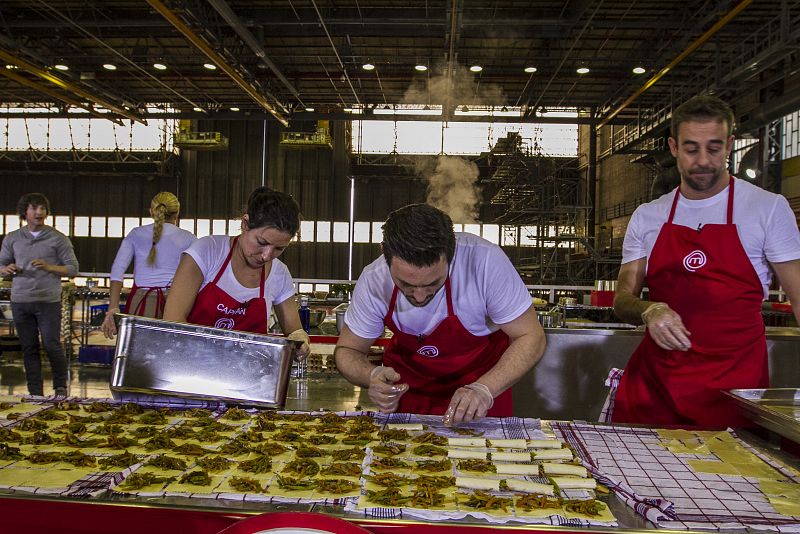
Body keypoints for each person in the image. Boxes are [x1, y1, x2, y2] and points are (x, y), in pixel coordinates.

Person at [611, 94, 800, 428]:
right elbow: (622, 298)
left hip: (735, 390)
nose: (703, 161)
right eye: (691, 148)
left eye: (714, 148)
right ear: (673, 147)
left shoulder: (767, 208)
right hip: (657, 387)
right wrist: (649, 309)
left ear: (729, 146)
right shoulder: (648, 216)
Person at [334, 204, 545, 426]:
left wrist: (484, 389)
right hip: (411, 393)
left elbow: (531, 336)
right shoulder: (374, 280)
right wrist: (372, 375)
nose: (419, 295)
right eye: (406, 284)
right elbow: (348, 350)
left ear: (451, 256)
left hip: (482, 391)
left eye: (433, 283)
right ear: (387, 260)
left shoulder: (485, 262)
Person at [163, 187, 309, 359]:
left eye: (279, 248)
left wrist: (300, 340)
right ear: (245, 224)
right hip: (192, 368)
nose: (266, 255)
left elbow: (294, 330)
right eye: (261, 242)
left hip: (249, 376)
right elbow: (173, 320)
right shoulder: (208, 252)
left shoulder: (279, 274)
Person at [0, 193, 79, 396]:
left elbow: (72, 269)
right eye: (34, 208)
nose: (39, 212)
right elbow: (1, 264)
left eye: (42, 208)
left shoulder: (57, 238)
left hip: (48, 301)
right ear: (25, 212)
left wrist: (49, 266)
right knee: (29, 348)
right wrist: (6, 269)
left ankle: (60, 387)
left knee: (52, 345)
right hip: (20, 300)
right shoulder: (13, 238)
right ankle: (35, 392)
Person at [101, 192, 196, 338]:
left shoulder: (136, 234)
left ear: (151, 211)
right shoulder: (189, 238)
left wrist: (113, 307)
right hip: (176, 303)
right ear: (177, 213)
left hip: (141, 303)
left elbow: (117, 270)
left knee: (138, 352)